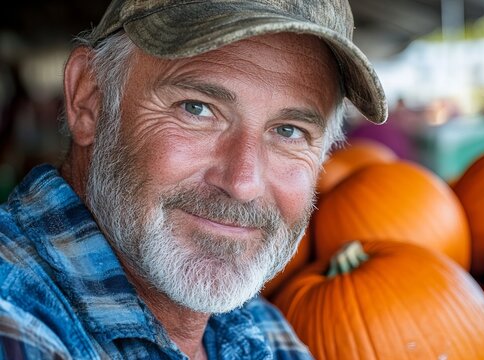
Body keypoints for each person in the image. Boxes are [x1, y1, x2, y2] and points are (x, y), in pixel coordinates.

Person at [0, 1, 387, 359]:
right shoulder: (15, 320)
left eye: (289, 131)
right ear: (89, 99)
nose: (242, 182)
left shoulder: (255, 326)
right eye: (197, 109)